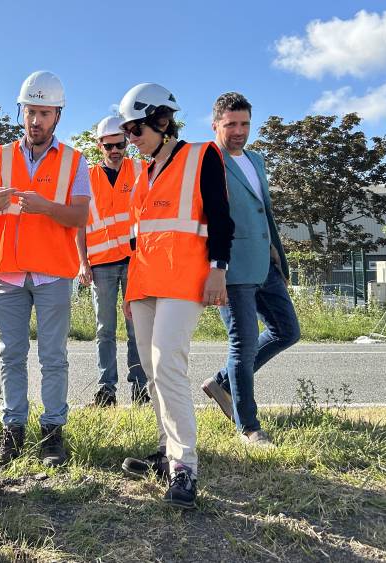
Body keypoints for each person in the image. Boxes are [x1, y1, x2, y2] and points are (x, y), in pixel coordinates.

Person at [116, 83, 233, 508]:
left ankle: (185, 467)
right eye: (127, 132)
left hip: (184, 280)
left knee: (168, 364)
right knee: (151, 370)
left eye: (135, 129)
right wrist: (129, 291)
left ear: (162, 121)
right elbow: (138, 239)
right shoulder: (143, 173)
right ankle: (166, 451)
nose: (131, 139)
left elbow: (221, 219)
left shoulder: (201, 156)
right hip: (144, 283)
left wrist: (218, 269)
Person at [0, 71, 90, 467]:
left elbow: (80, 216)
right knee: (11, 356)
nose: (35, 120)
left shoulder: (75, 161)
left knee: (53, 357)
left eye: (44, 113)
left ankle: (53, 435)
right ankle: (13, 432)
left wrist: (47, 208)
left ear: (57, 115)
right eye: (30, 112)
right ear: (21, 112)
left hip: (53, 274)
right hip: (7, 274)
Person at [201, 92, 300, 448]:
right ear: (215, 124)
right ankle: (249, 427)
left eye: (244, 123)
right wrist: (214, 268)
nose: (239, 131)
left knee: (287, 331)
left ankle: (221, 383)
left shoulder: (256, 159)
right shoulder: (207, 160)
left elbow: (263, 211)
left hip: (264, 261)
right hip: (230, 266)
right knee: (242, 345)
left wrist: (276, 253)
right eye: (231, 124)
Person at [76, 116, 148, 407]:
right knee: (104, 330)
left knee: (136, 329)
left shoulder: (141, 170)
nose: (115, 150)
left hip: (135, 262)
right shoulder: (87, 177)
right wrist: (83, 262)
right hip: (101, 263)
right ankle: (106, 391)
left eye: (120, 144)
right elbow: (79, 224)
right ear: (100, 146)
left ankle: (141, 390)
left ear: (126, 142)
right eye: (109, 146)